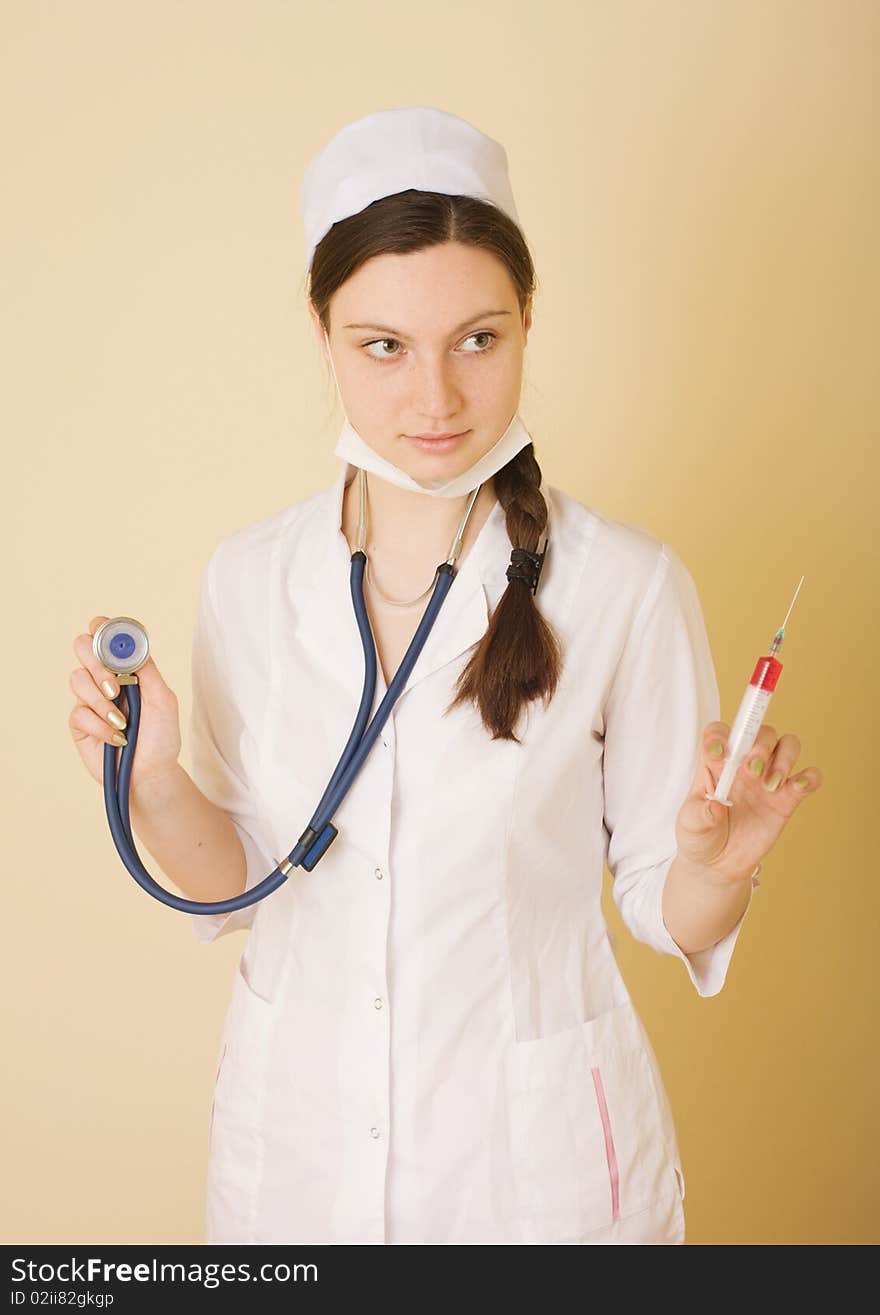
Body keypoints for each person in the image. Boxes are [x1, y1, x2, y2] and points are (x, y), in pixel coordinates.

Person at [68, 106, 822, 1246]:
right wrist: (155, 778)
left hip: (540, 1178)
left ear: (527, 322)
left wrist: (718, 866)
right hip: (297, 1164)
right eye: (384, 346)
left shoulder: (624, 584)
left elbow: (671, 908)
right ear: (321, 333)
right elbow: (240, 880)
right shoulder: (249, 581)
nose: (435, 398)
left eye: (478, 339)